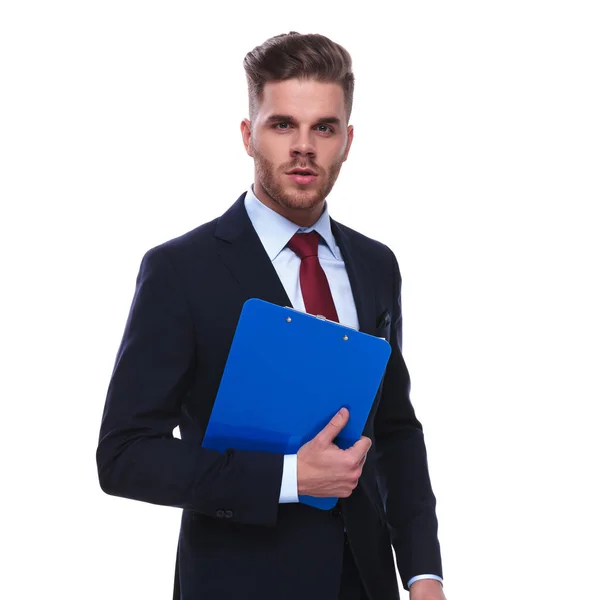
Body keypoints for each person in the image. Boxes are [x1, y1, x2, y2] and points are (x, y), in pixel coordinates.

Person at [96, 31, 445, 600]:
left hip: (366, 582)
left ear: (348, 140)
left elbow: (397, 431)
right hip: (239, 582)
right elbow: (124, 455)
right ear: (247, 134)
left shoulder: (376, 264)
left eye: (323, 128)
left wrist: (424, 572)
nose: (303, 146)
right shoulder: (181, 270)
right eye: (283, 124)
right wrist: (288, 478)